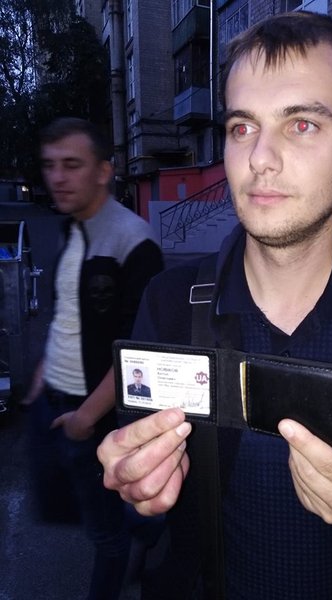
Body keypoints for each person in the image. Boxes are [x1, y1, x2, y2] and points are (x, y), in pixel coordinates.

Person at [97, 12, 332, 599]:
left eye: (301, 124)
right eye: (242, 127)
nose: (260, 157)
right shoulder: (169, 303)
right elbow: (137, 470)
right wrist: (137, 484)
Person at [23, 117, 164, 600]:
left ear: (104, 171)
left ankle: (147, 535)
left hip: (95, 411)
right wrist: (44, 371)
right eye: (50, 166)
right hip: (55, 399)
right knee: (80, 507)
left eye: (71, 165)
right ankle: (149, 525)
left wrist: (86, 416)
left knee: (106, 536)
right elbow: (68, 313)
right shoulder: (72, 229)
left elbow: (140, 347)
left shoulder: (133, 241)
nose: (57, 178)